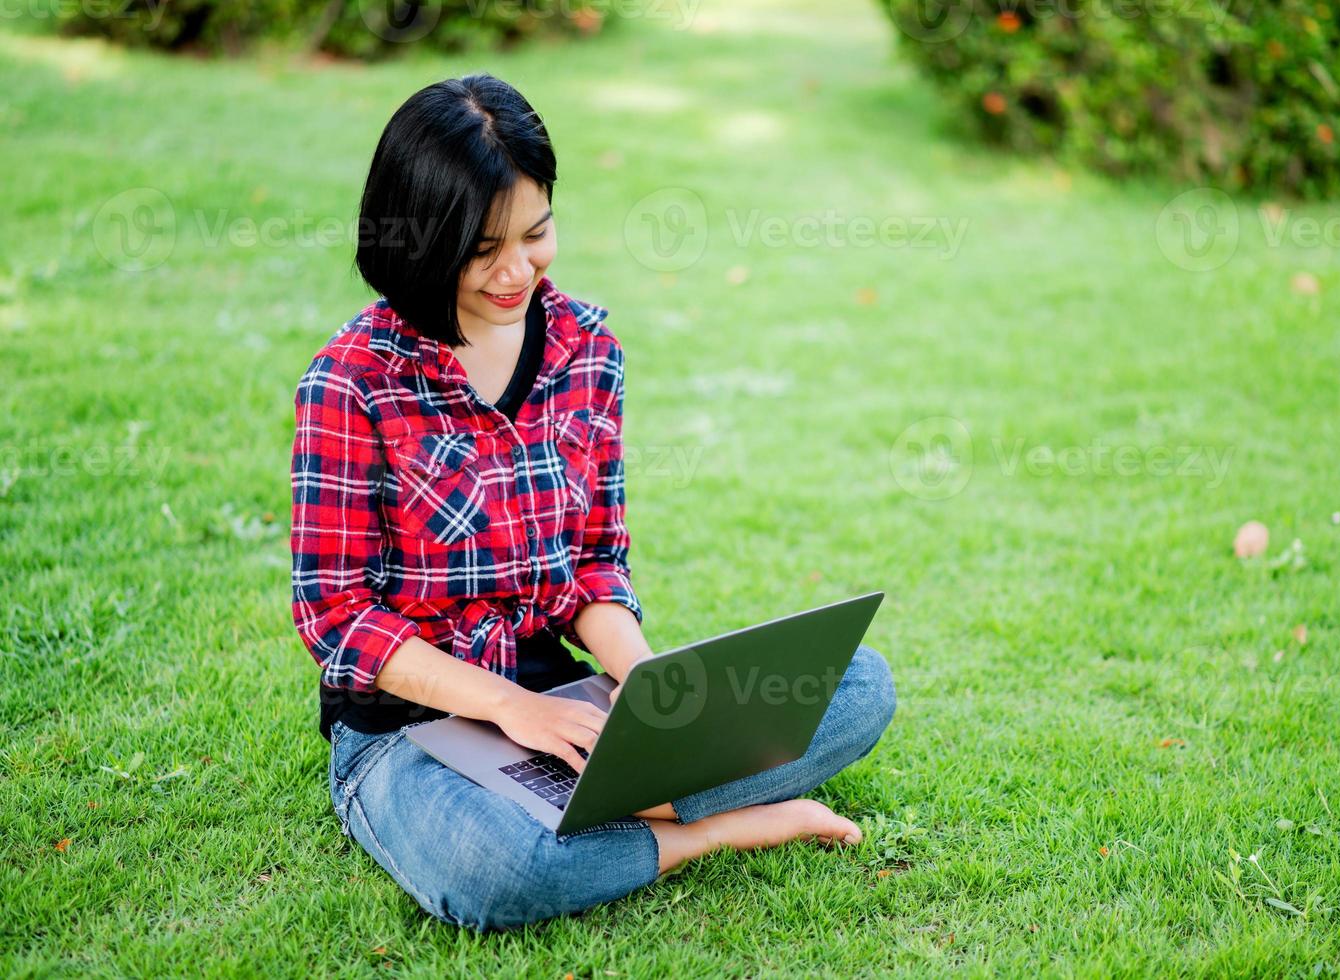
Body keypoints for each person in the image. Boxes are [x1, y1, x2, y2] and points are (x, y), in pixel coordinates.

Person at [288, 72, 897, 932]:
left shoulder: (586, 348)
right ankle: (722, 828)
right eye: (479, 248)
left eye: (536, 234)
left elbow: (593, 565)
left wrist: (645, 690)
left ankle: (627, 797)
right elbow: (335, 616)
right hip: (410, 727)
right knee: (496, 870)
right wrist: (508, 708)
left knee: (858, 686)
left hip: (570, 700)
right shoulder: (351, 382)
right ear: (421, 242)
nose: (516, 271)